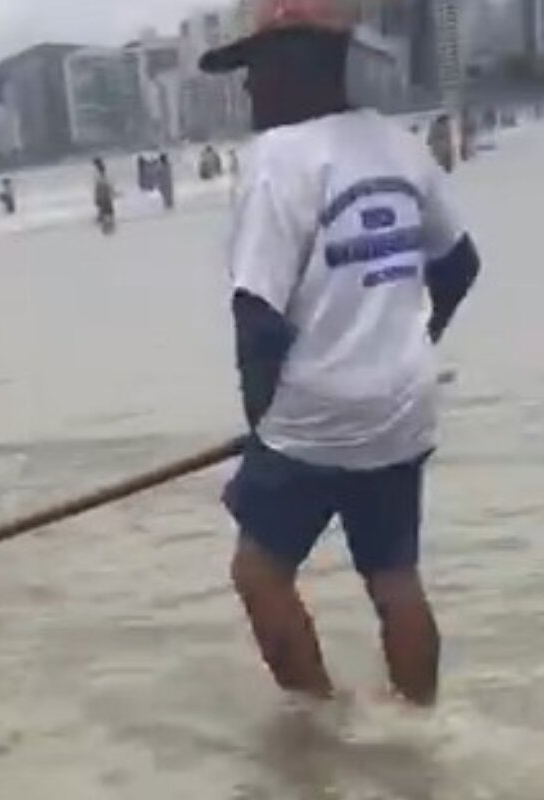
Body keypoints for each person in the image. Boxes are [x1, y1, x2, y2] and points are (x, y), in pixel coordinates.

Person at [199, 0, 481, 706]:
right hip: (403, 406)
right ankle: (420, 729)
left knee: (258, 573)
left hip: (316, 416)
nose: (248, 89)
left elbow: (256, 319)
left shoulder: (275, 161)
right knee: (394, 579)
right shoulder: (398, 144)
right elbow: (460, 267)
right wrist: (410, 346)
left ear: (294, 67)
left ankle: (321, 725)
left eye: (255, 71)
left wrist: (265, 425)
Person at [92, 158, 116, 235]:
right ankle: (101, 219)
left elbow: (102, 190)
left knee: (105, 211)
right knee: (107, 211)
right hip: (104, 198)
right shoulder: (102, 180)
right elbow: (108, 189)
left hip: (103, 198)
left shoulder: (101, 180)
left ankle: (101, 219)